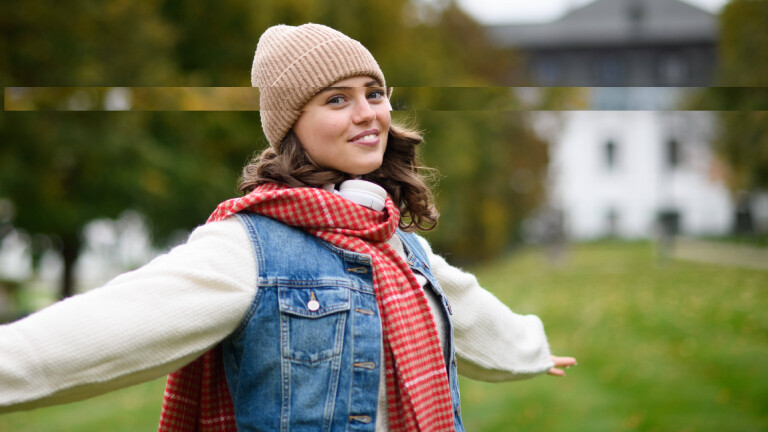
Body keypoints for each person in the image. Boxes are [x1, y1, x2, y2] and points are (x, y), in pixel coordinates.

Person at [0, 23, 576, 431]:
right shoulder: (249, 246)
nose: (366, 113)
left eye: (374, 94)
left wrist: (531, 350)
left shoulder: (397, 244)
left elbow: (468, 312)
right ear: (292, 127)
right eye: (335, 99)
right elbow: (111, 327)